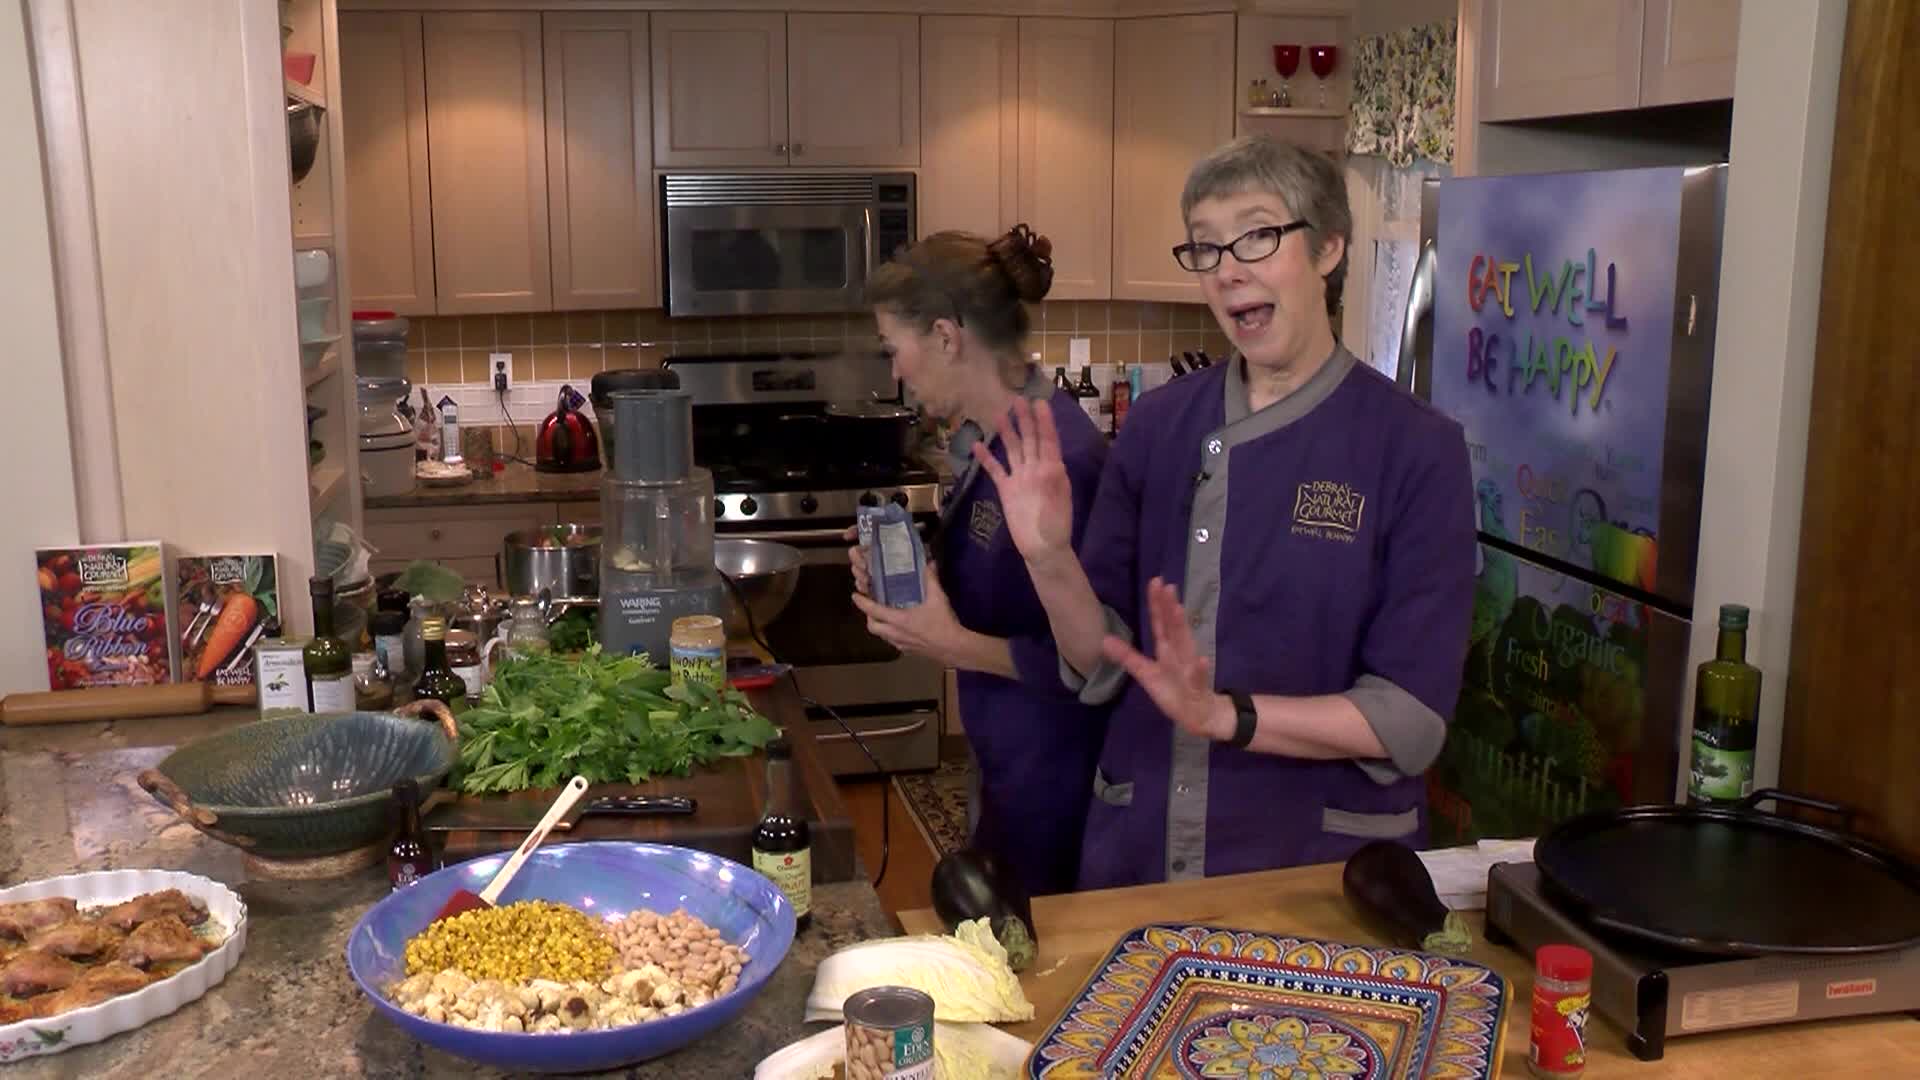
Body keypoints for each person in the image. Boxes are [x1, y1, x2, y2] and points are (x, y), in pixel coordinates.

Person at [976, 136, 1477, 889]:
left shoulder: (1416, 449)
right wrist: (1049, 559)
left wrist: (1228, 716)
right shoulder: (1155, 427)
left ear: (1330, 247)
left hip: (1315, 876)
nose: (1228, 268)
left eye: (1257, 235)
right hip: (1140, 851)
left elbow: (1408, 719)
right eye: (1206, 248)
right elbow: (1097, 658)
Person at [847, 225, 1110, 897]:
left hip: (1057, 780)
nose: (896, 370)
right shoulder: (994, 440)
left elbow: (1096, 663)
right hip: (1009, 769)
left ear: (945, 335)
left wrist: (953, 644)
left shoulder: (1062, 457)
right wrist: (916, 579)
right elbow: (1004, 588)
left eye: (894, 348)